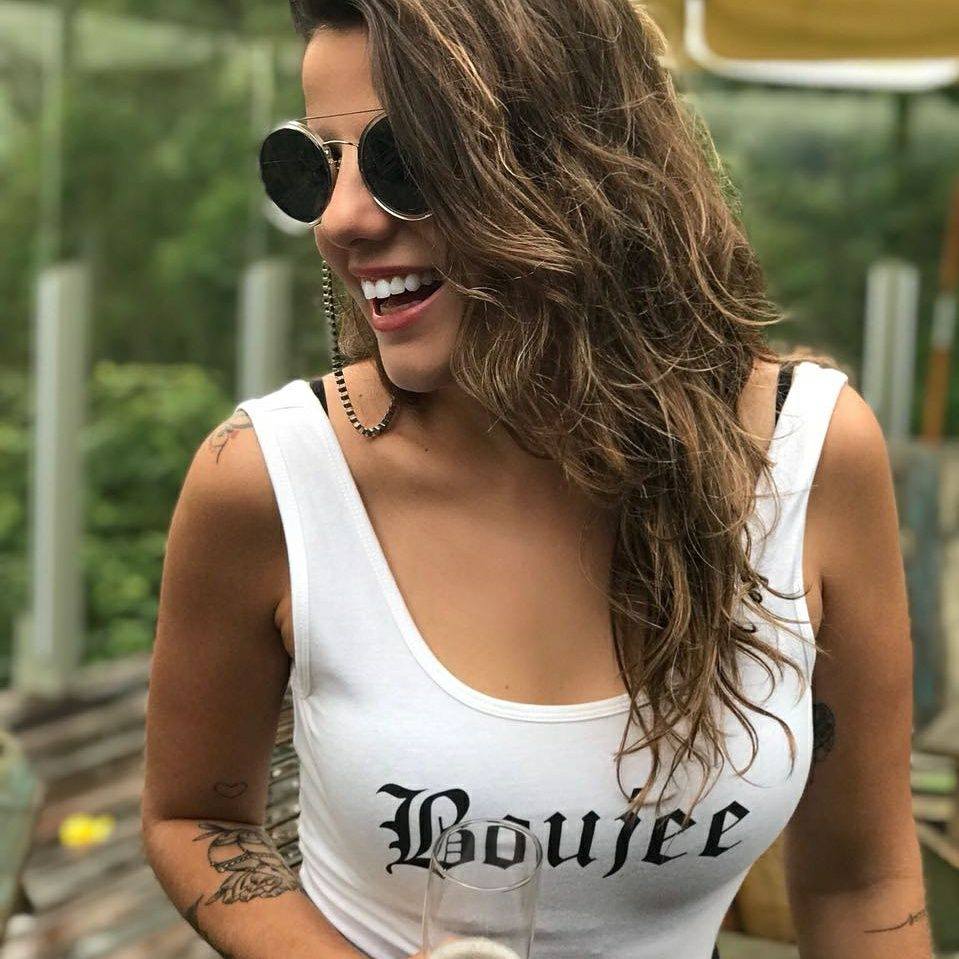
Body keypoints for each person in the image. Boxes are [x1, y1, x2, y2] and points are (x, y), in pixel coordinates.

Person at [140, 1, 932, 957]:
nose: (341, 219)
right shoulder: (268, 478)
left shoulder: (807, 455)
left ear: (578, 165)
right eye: (312, 166)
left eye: (403, 159)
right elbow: (194, 816)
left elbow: (860, 881)